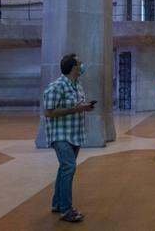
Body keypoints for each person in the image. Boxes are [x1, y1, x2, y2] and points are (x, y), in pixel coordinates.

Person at [43, 54, 96, 223]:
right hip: (60, 134)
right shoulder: (56, 86)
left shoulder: (77, 86)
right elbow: (48, 112)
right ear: (73, 67)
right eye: (80, 63)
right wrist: (74, 109)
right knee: (69, 167)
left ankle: (57, 203)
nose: (82, 65)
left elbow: (77, 106)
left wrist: (85, 108)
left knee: (64, 168)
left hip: (74, 133)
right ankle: (66, 210)